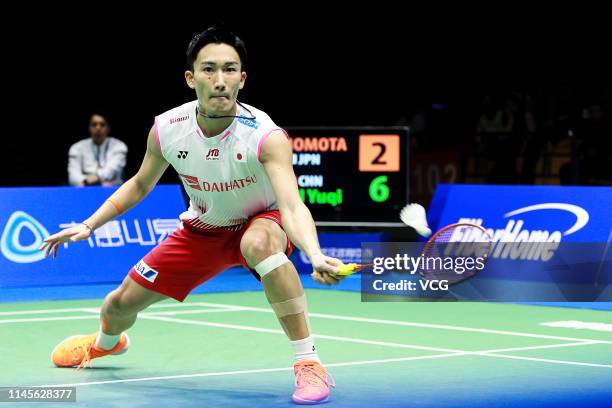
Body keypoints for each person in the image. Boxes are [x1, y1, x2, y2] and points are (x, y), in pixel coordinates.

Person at [41, 26, 344, 405]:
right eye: (209, 70)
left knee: (260, 242)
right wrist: (90, 224)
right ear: (191, 77)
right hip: (203, 230)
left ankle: (308, 362)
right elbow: (138, 184)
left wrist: (313, 254)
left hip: (260, 220)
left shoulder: (266, 136)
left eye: (230, 70)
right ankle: (106, 344)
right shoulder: (168, 129)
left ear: (242, 79)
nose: (220, 81)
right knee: (118, 305)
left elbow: (291, 205)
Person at [68, 113, 128, 186]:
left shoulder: (119, 146)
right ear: (89, 128)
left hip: (113, 189)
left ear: (108, 128)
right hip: (84, 189)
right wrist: (86, 181)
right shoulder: (76, 148)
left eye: (102, 124)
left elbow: (112, 170)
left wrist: (96, 177)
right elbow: (73, 176)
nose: (98, 128)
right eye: (94, 124)